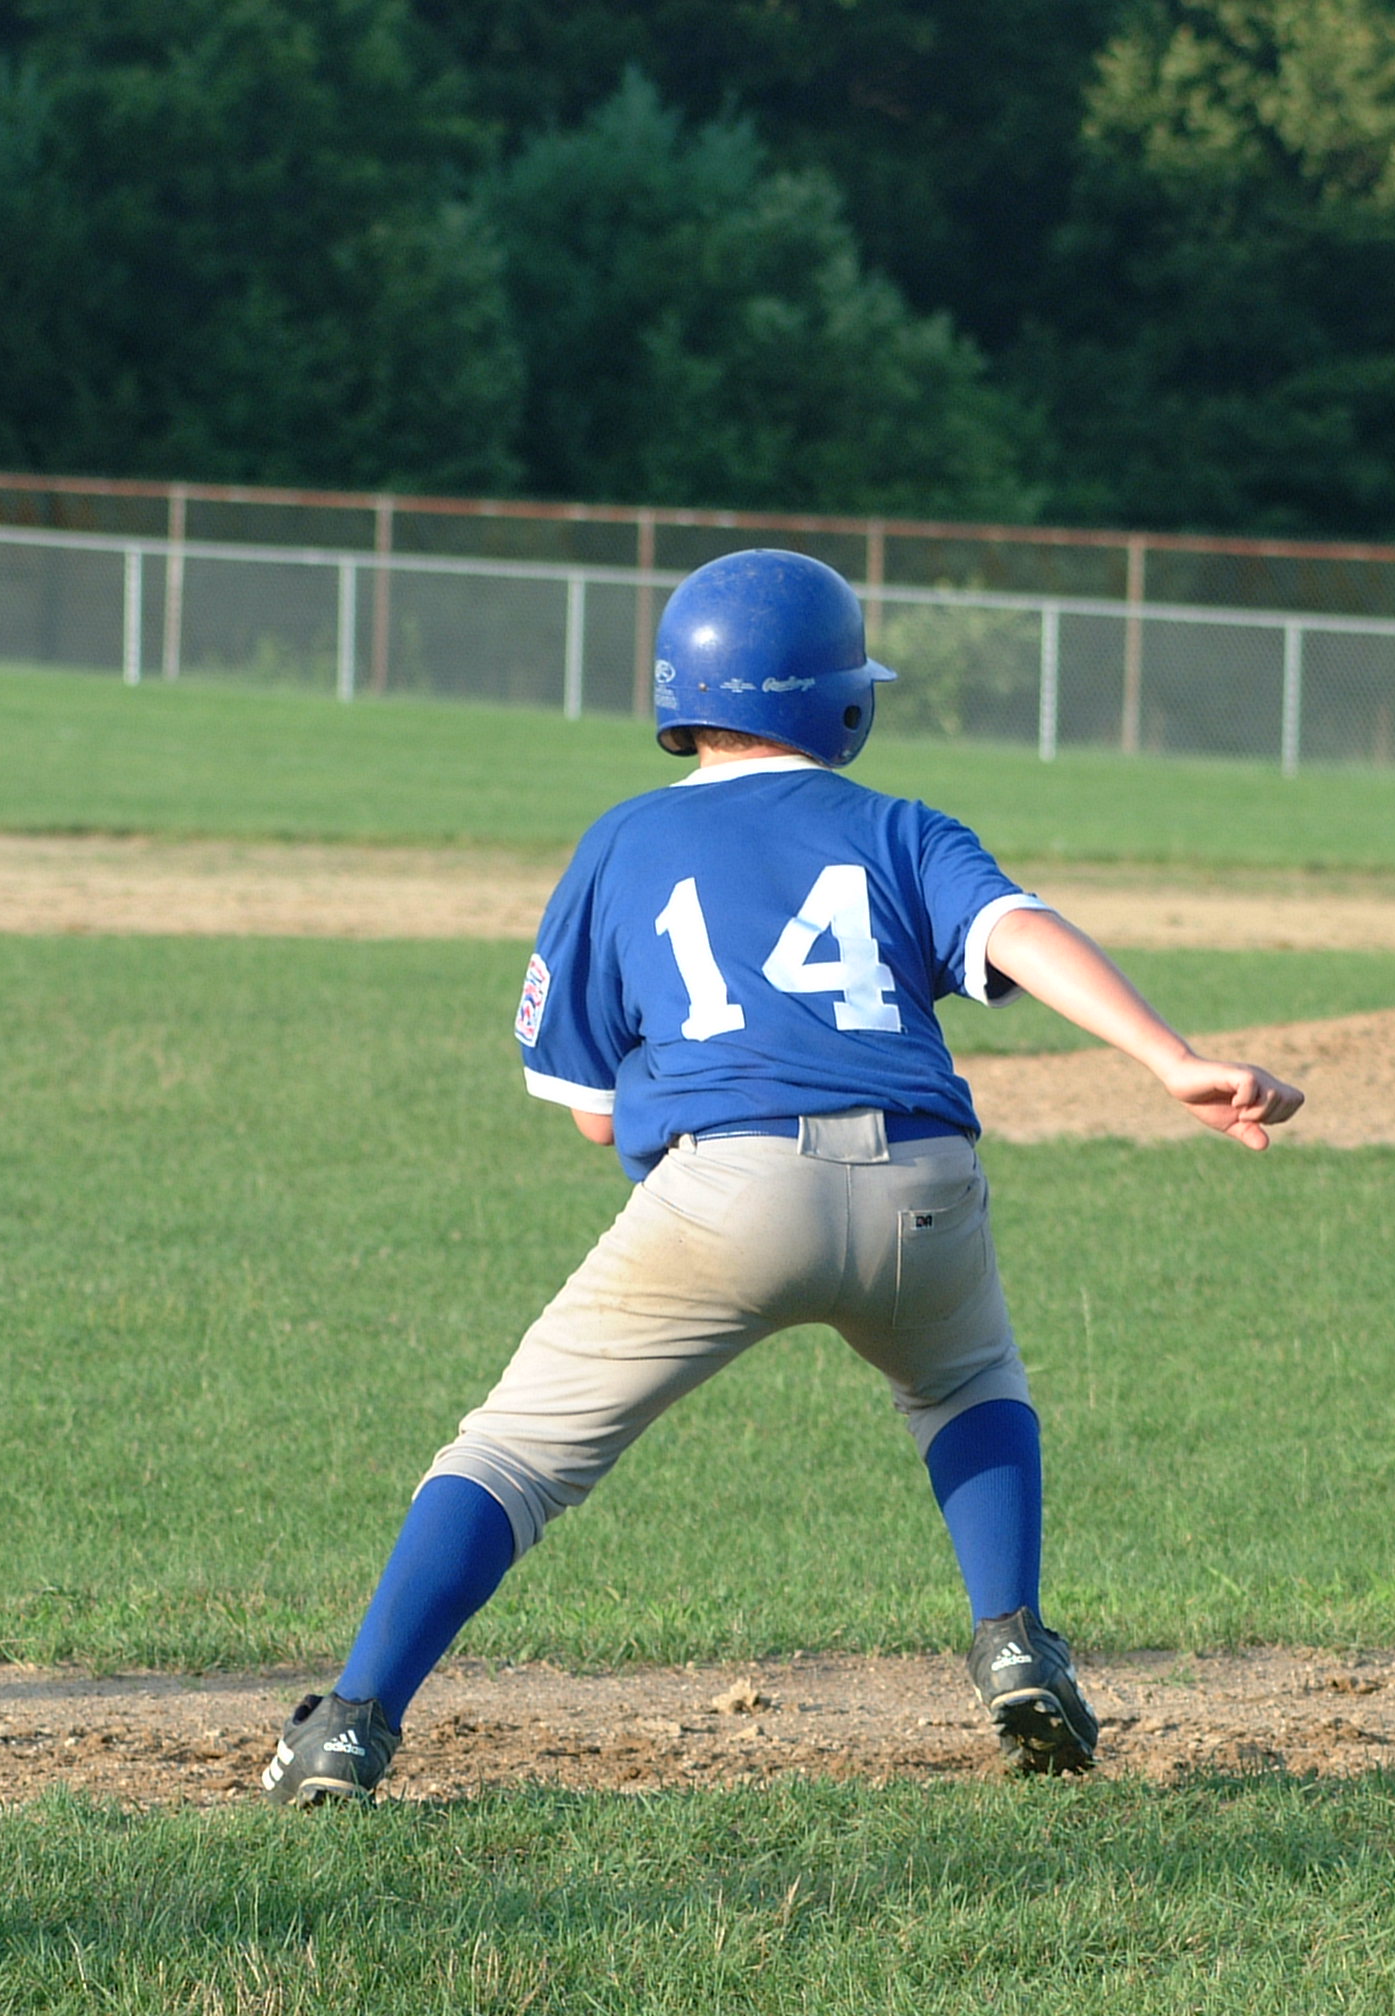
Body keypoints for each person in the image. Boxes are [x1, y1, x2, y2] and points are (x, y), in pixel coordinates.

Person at [262, 548, 1303, 1806]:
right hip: (923, 1181)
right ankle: (1015, 1643)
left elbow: (592, 1117)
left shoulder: (622, 841)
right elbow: (1015, 930)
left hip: (727, 1195)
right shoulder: (901, 827)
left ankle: (352, 1723)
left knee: (515, 1456)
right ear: (840, 699)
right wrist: (1168, 1058)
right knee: (966, 1382)